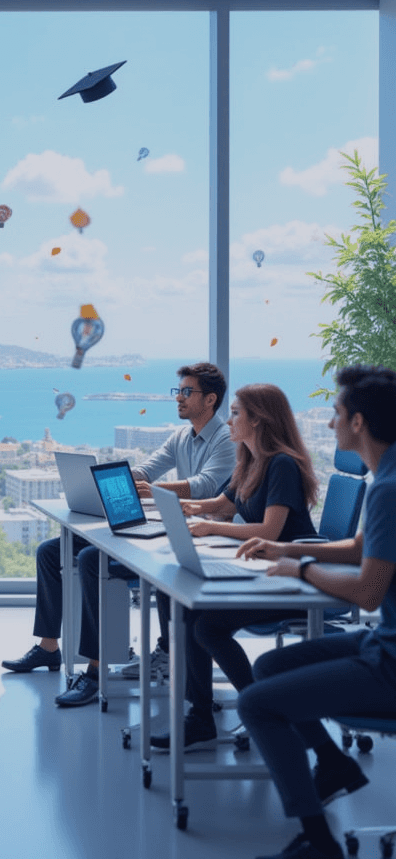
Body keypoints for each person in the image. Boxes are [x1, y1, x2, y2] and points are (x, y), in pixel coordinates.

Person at [1, 364, 234, 705]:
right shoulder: (181, 436)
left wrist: (150, 489)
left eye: (187, 392)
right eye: (178, 391)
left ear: (210, 399)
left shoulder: (225, 440)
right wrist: (113, 477)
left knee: (91, 559)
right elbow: (147, 469)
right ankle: (49, 648)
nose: (179, 398)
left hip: (198, 538)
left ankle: (95, 672)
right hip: (168, 526)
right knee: (51, 552)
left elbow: (205, 486)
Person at [235, 366, 396, 859]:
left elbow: (367, 591)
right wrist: (283, 551)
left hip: (390, 660)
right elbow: (360, 549)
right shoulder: (385, 476)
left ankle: (319, 844)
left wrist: (301, 569)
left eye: (337, 414)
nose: (329, 424)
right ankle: (332, 764)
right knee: (268, 666)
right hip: (384, 639)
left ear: (359, 423)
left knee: (256, 704)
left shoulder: (389, 489)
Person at [147, 383, 318, 750]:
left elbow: (270, 530)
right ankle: (203, 716)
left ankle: (260, 708)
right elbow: (224, 503)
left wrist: (209, 526)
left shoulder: (282, 464)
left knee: (205, 624)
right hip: (262, 571)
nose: (229, 419)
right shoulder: (249, 459)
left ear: (259, 420)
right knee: (188, 611)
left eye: (237, 413)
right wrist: (191, 509)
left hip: (292, 579)